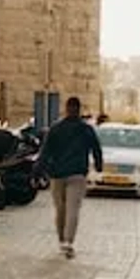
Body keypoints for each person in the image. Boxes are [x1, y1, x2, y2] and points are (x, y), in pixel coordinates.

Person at [36, 96, 103, 259]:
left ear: (66, 108)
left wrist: (38, 170)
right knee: (73, 209)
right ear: (78, 109)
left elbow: (45, 151)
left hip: (57, 174)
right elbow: (96, 148)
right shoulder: (86, 129)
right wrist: (99, 165)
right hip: (77, 174)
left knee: (61, 209)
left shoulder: (56, 128)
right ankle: (68, 242)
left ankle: (62, 240)